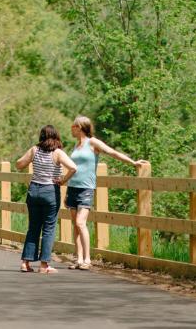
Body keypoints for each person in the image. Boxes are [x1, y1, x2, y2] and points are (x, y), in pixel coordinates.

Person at [66, 115, 148, 270]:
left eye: (73, 126)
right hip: (72, 187)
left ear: (81, 127)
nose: (71, 128)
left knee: (80, 222)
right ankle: (79, 259)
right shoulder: (76, 145)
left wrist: (132, 162)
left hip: (86, 188)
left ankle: (87, 259)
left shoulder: (93, 142)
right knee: (75, 225)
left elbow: (112, 152)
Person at [15, 125, 77, 274]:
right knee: (49, 228)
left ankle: (26, 263)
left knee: (33, 227)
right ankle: (44, 265)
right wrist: (62, 180)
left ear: (41, 137)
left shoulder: (34, 150)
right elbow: (74, 168)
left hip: (34, 190)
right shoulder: (58, 153)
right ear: (56, 137)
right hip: (50, 191)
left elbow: (19, 164)